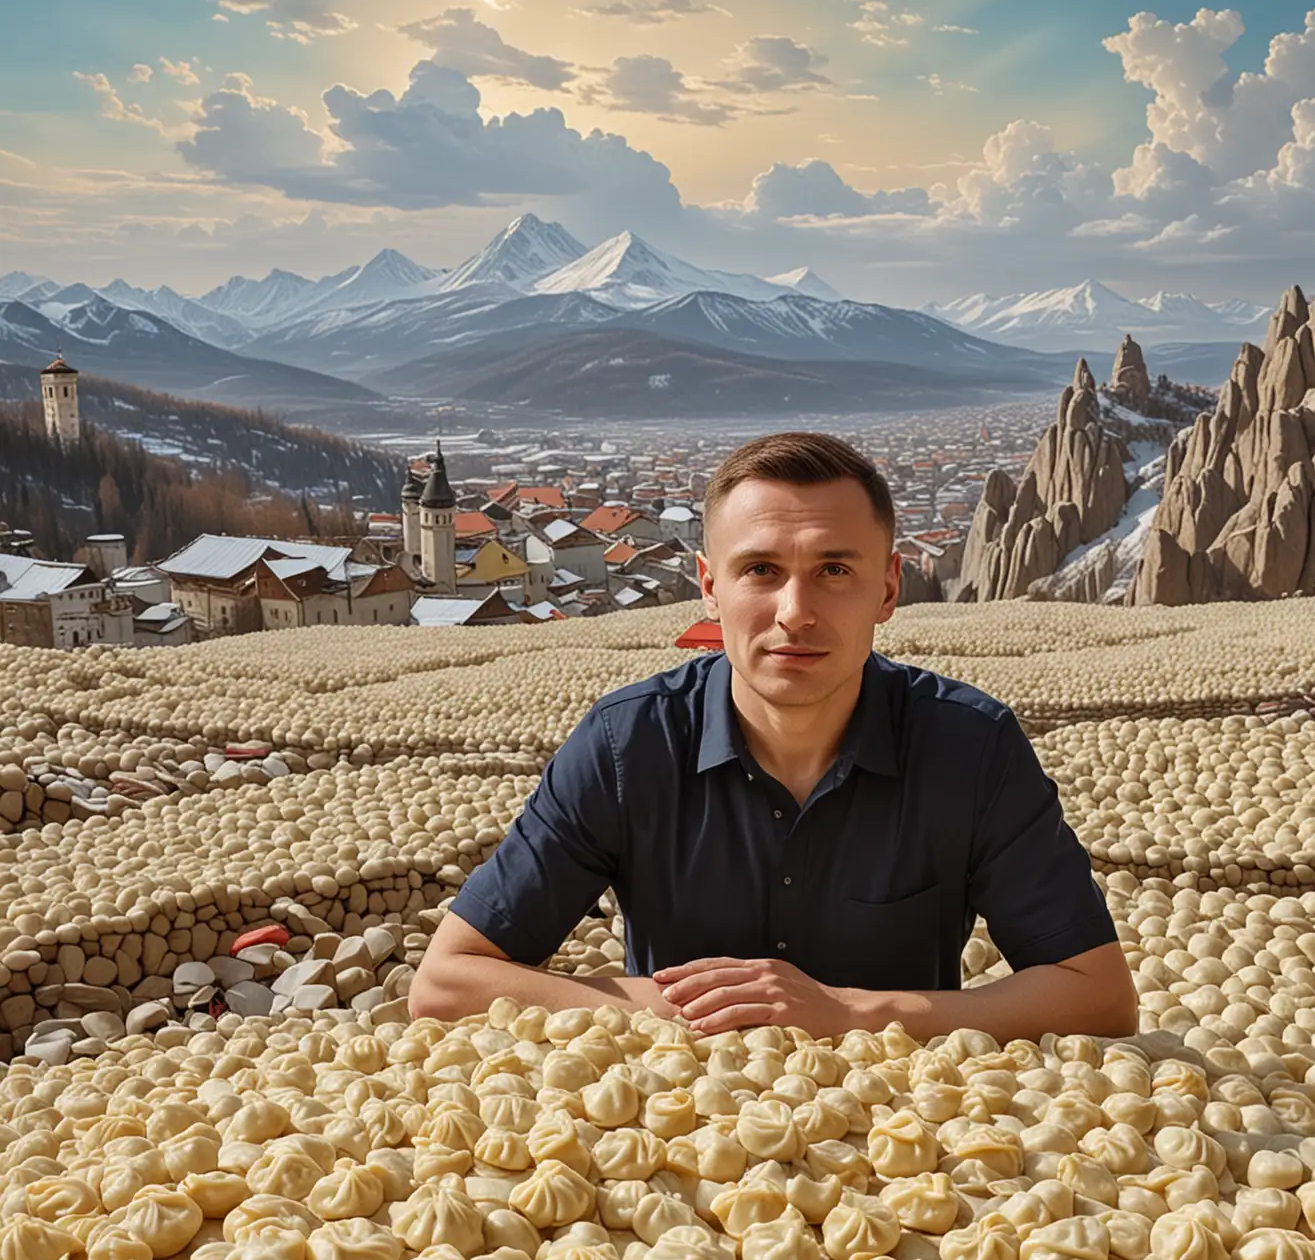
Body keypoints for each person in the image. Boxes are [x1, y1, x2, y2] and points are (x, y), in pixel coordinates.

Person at [411, 431, 1137, 1043]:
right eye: (761, 570)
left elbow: (1100, 996)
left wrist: (849, 1012)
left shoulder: (969, 750)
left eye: (833, 571)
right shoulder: (626, 748)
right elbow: (446, 981)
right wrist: (671, 1010)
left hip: (904, 1139)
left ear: (888, 590)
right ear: (708, 585)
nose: (795, 612)